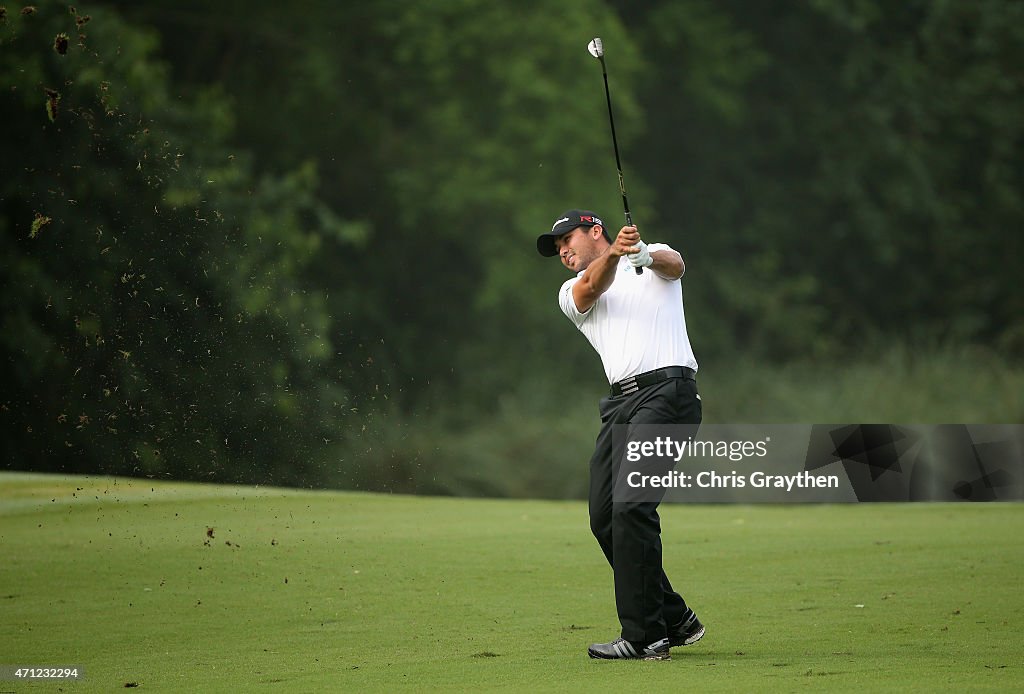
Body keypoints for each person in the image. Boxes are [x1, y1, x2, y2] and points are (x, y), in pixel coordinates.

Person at [536, 209, 705, 661]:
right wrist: (614, 253)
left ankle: (646, 635)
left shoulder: (652, 264)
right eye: (557, 250)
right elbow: (593, 288)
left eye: (566, 240)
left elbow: (676, 265)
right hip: (621, 407)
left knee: (632, 507)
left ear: (594, 231)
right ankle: (674, 616)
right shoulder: (570, 292)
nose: (563, 252)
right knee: (604, 516)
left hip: (668, 394)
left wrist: (643, 253)